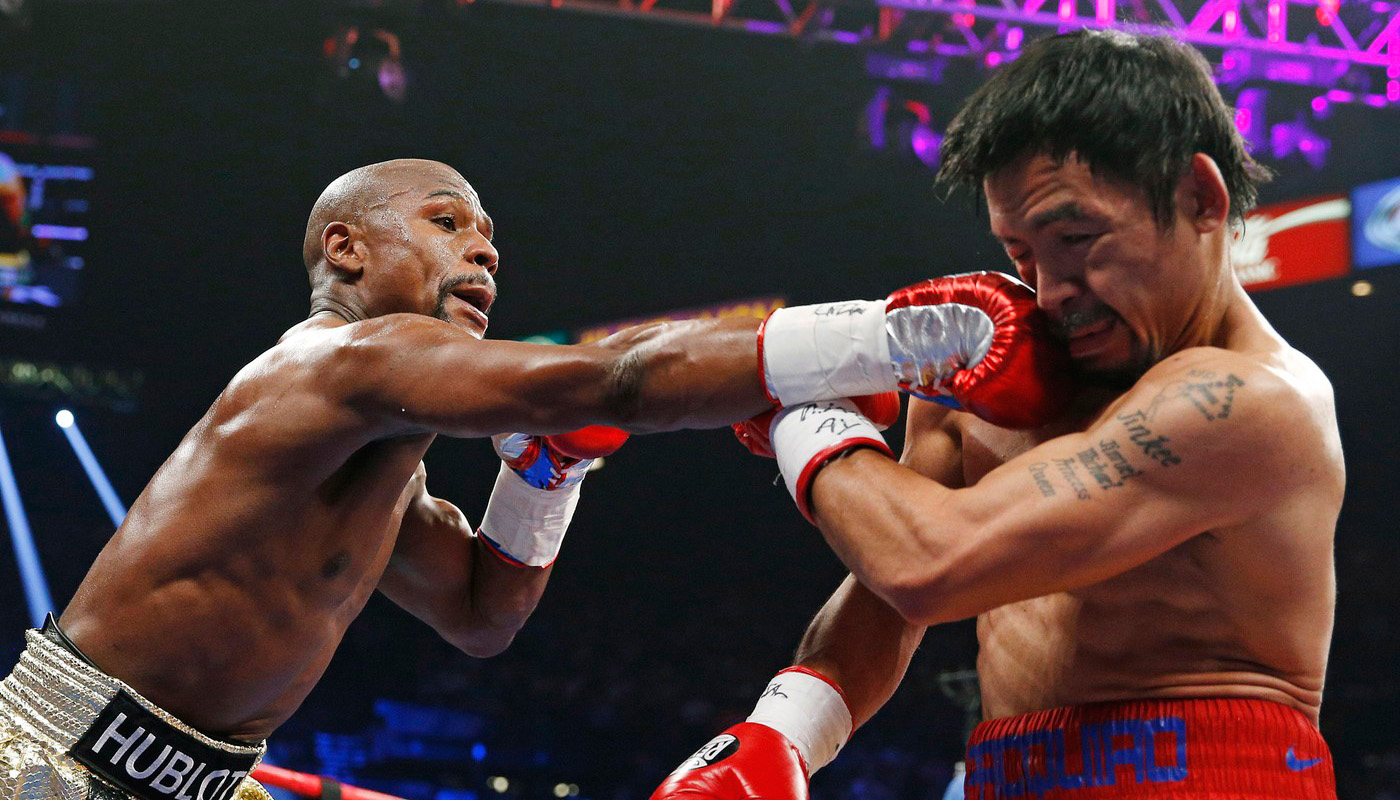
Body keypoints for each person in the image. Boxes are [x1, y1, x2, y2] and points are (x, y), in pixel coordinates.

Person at [0, 158, 1069, 800]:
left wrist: (543, 477)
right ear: (346, 248)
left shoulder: (375, 458)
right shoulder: (335, 360)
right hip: (55, 759)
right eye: (446, 222)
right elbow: (614, 377)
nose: (483, 252)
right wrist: (902, 337)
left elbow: (482, 615)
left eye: (490, 240)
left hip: (188, 775)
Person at [652, 29, 1344, 800]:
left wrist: (803, 414)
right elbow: (886, 585)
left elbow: (926, 564)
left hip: (1218, 775)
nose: (1050, 291)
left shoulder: (1255, 400)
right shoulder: (982, 383)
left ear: (1199, 198)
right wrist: (785, 733)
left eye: (1076, 238)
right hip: (1007, 773)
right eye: (1020, 253)